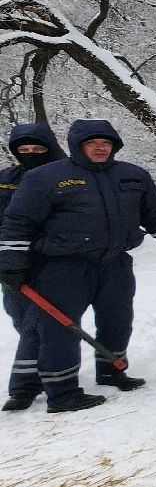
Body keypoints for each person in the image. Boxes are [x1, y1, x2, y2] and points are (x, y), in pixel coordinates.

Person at [0, 119, 156, 413]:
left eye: (106, 143)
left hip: (115, 263)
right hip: (63, 266)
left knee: (118, 319)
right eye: (92, 143)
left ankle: (113, 370)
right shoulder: (46, 177)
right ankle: (61, 393)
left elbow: (154, 214)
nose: (100, 148)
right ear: (77, 146)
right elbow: (19, 222)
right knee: (59, 328)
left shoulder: (133, 175)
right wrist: (12, 263)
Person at [0, 123, 65, 411]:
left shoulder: (65, 177)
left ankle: (24, 386)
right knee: (20, 318)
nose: (31, 154)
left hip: (52, 261)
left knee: (35, 324)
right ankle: (44, 366)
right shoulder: (6, 179)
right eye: (24, 150)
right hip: (11, 264)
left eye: (38, 149)